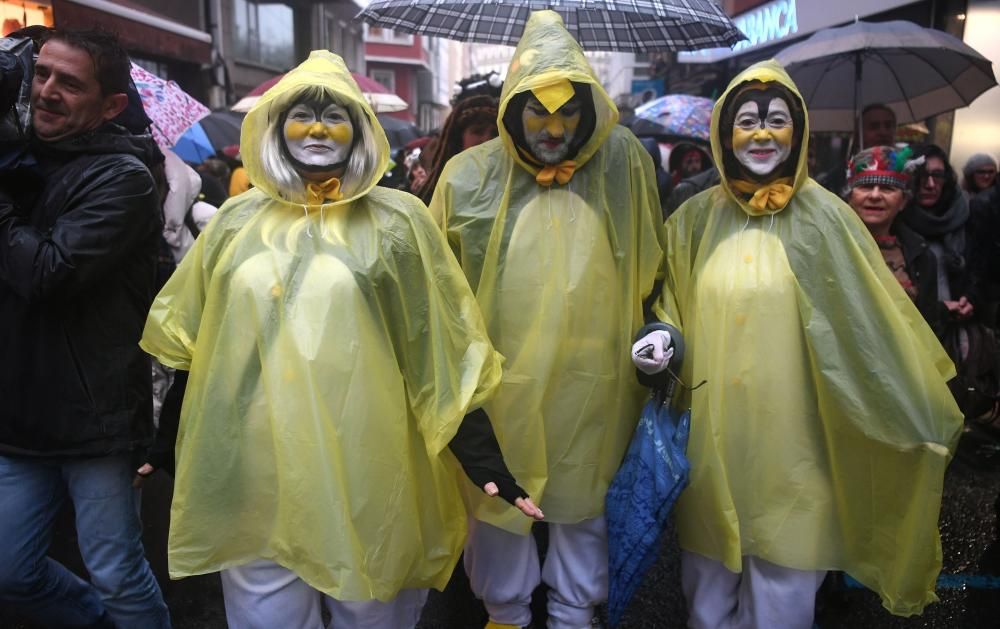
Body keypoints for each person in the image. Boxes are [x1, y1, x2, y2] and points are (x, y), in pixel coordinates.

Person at [139, 50, 541, 629]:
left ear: (360, 129)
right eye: (303, 114)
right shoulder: (235, 222)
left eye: (336, 116)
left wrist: (481, 457)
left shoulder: (397, 222)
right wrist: (165, 441)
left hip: (367, 464)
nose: (319, 129)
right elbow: (194, 344)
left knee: (369, 609)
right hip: (258, 465)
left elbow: (439, 349)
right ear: (276, 125)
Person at [632, 60, 962, 628]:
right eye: (748, 121)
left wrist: (909, 408)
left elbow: (869, 326)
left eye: (777, 119)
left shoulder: (829, 222)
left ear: (799, 131)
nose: (762, 133)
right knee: (706, 591)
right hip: (714, 443)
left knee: (784, 591)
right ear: (723, 134)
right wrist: (659, 339)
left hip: (798, 446)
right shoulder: (690, 222)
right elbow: (671, 305)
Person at [430, 11, 665, 628]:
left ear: (590, 110)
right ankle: (504, 615)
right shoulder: (468, 177)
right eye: (539, 110)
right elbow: (440, 292)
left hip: (597, 388)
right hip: (502, 388)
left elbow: (650, 268)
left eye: (568, 112)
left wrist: (656, 334)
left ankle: (572, 616)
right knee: (500, 509)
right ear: (514, 109)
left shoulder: (626, 168)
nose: (554, 128)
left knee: (585, 513)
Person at [0, 29, 171, 628]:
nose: (46, 91)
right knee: (10, 572)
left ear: (110, 105)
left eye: (69, 83)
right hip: (19, 410)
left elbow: (49, 272)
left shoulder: (123, 177)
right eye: (41, 73)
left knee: (118, 572)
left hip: (94, 415)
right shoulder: (20, 158)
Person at [843, 145, 943, 328]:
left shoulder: (920, 257)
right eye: (865, 187)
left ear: (903, 201)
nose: (875, 195)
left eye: (887, 188)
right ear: (850, 197)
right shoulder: (827, 247)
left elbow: (930, 327)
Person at [899, 144, 977, 322]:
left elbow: (977, 267)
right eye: (922, 176)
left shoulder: (963, 214)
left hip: (955, 324)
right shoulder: (895, 221)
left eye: (938, 175)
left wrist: (970, 297)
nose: (930, 184)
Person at [417, 93, 500, 205]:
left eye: (494, 133)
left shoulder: (509, 185)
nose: (487, 139)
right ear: (459, 138)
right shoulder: (440, 191)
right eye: (478, 131)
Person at [817, 103, 897, 195]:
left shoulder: (907, 172)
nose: (883, 132)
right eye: (874, 127)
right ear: (859, 133)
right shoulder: (838, 178)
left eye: (888, 126)